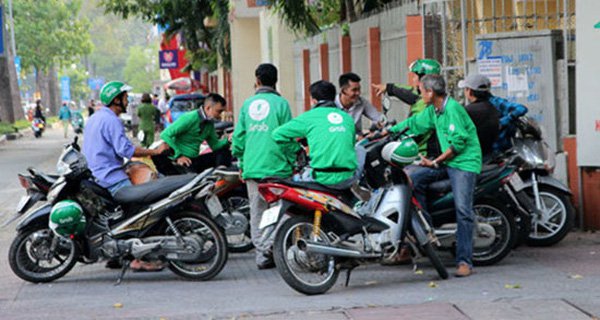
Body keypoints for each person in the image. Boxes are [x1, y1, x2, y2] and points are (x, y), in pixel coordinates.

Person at [385, 74, 481, 277]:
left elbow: (458, 144)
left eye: (421, 90)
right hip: (445, 161)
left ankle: (465, 261)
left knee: (463, 210)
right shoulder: (434, 110)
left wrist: (436, 161)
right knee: (412, 179)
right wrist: (386, 132)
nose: (419, 94)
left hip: (463, 163)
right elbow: (415, 123)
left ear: (430, 92)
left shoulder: (452, 109)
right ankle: (426, 231)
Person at [83, 81, 169, 271]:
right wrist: (155, 152)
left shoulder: (95, 118)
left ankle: (117, 255)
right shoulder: (112, 120)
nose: (128, 100)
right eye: (124, 97)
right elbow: (126, 150)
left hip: (97, 176)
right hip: (112, 178)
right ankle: (138, 259)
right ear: (116, 100)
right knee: (144, 213)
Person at [231, 63, 296, 270]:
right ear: (275, 80)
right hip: (278, 168)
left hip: (253, 168)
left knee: (257, 211)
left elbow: (239, 138)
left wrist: (241, 162)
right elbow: (288, 137)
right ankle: (275, 250)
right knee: (278, 211)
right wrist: (292, 161)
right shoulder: (282, 104)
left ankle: (262, 254)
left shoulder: (247, 104)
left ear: (257, 80)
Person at [273, 80, 357, 188]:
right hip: (348, 178)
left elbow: (277, 134)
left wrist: (297, 150)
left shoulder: (309, 117)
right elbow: (351, 144)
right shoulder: (347, 118)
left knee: (294, 179)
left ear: (313, 100)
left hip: (322, 177)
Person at [372, 58, 443, 157]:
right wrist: (389, 88)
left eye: (415, 76)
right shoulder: (428, 98)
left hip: (424, 156)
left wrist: (392, 134)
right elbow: (410, 92)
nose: (413, 79)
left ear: (424, 79)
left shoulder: (426, 105)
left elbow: (413, 127)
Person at [152, 93, 229, 174]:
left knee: (224, 153)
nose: (220, 115)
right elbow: (165, 134)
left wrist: (229, 140)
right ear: (208, 108)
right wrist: (179, 156)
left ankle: (221, 177)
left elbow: (215, 146)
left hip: (193, 160)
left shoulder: (209, 124)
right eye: (218, 111)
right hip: (181, 162)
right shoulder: (190, 118)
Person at [458, 74, 500, 160]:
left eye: (465, 89)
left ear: (470, 92)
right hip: (490, 154)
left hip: (472, 158)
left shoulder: (467, 111)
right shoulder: (493, 108)